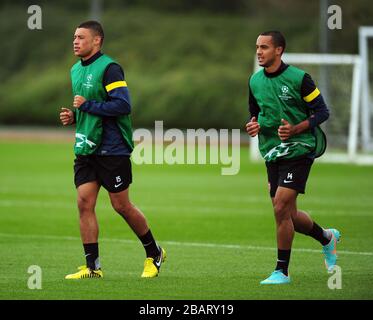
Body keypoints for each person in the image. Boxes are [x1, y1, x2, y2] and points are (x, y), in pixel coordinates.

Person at [59, 20, 166, 279]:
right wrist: (75, 116)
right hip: (86, 147)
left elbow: (122, 105)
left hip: (112, 147)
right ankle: (93, 268)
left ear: (97, 41)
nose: (75, 41)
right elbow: (89, 107)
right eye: (74, 37)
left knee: (121, 205)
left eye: (81, 37)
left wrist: (86, 106)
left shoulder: (110, 68)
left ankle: (155, 253)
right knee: (84, 203)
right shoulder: (75, 70)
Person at [245, 31, 340, 285]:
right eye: (257, 47)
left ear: (279, 50)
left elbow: (322, 111)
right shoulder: (254, 81)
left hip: (300, 148)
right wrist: (254, 126)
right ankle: (327, 237)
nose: (259, 51)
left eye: (264, 47)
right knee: (288, 214)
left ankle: (281, 271)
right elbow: (255, 114)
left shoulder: (300, 79)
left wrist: (296, 128)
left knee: (279, 207)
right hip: (273, 152)